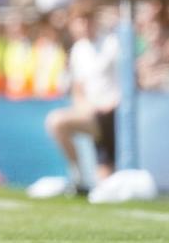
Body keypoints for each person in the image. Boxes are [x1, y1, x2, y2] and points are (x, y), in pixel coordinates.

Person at [45, 10, 120, 194]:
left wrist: (111, 104)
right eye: (79, 21)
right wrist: (86, 107)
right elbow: (78, 90)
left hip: (114, 113)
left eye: (87, 20)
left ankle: (85, 177)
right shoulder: (79, 49)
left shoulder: (112, 43)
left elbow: (125, 81)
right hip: (94, 115)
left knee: (107, 182)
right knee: (56, 122)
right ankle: (79, 175)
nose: (83, 25)